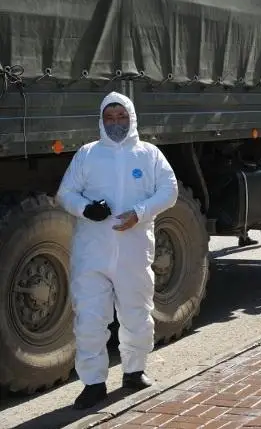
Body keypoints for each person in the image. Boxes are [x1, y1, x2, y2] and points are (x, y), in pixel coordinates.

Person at [56, 92, 179, 409]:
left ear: (132, 118)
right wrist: (86, 209)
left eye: (121, 117)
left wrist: (141, 212)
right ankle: (93, 383)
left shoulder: (148, 155)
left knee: (136, 314)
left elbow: (169, 190)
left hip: (134, 253)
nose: (115, 123)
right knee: (89, 320)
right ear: (101, 120)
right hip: (92, 254)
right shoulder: (87, 154)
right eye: (109, 118)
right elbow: (65, 194)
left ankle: (134, 371)